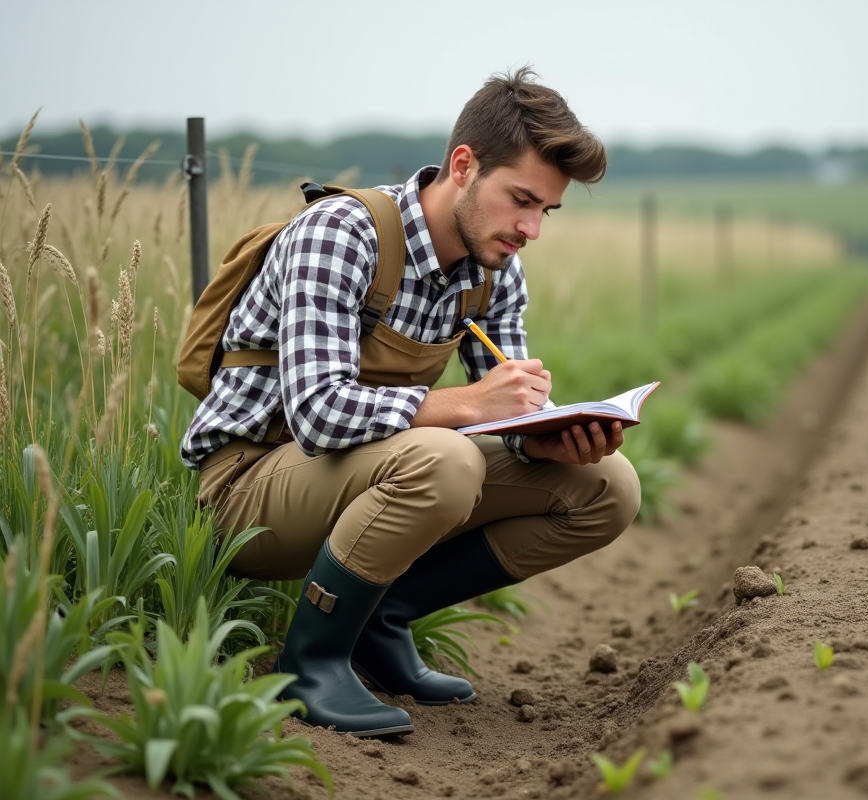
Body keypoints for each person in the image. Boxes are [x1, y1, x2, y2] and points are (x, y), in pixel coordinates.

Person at [182, 67, 640, 737]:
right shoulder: (340, 234)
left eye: (546, 209)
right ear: (464, 164)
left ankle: (380, 620)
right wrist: (464, 406)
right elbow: (317, 413)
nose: (532, 229)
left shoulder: (493, 269)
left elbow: (500, 410)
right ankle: (310, 665)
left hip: (370, 476)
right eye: (521, 199)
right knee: (444, 459)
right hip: (250, 487)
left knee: (606, 486)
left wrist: (543, 435)